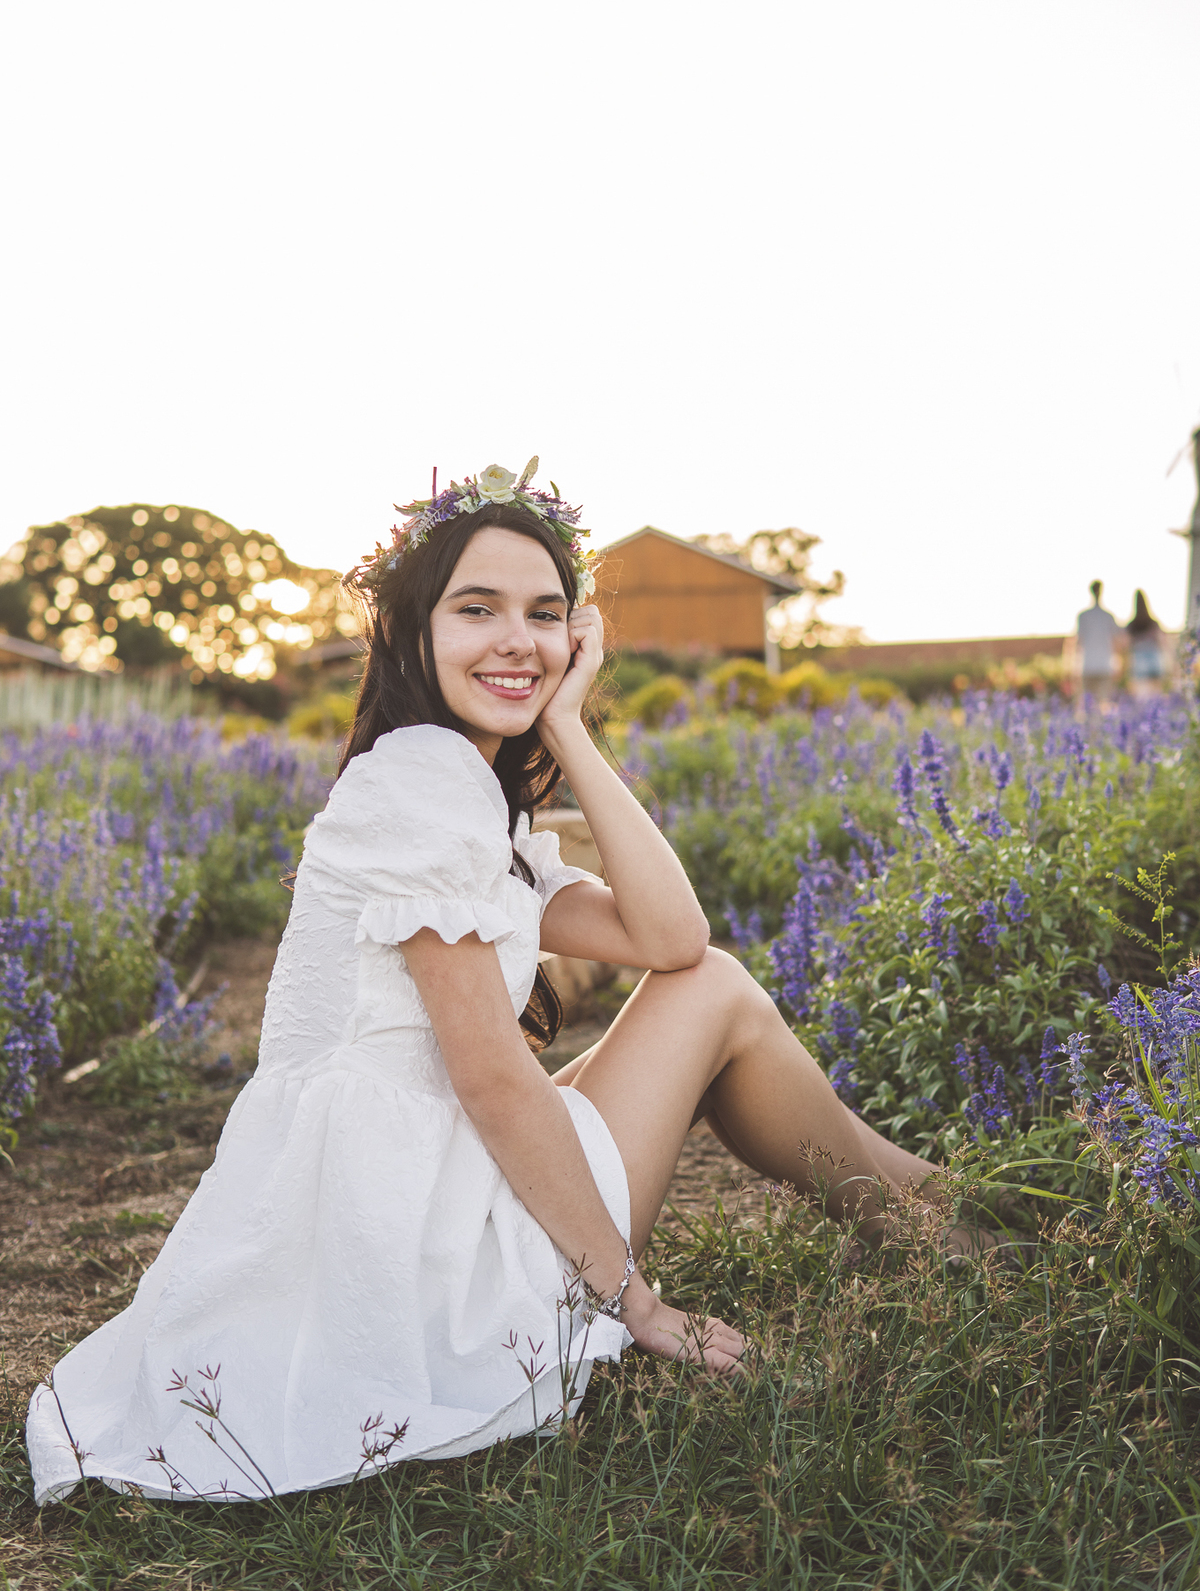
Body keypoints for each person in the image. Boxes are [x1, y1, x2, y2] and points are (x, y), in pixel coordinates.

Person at [27, 461, 989, 1508]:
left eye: (544, 614)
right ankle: (958, 1232)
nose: (515, 640)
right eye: (475, 608)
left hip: (403, 1195)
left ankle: (957, 1223)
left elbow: (668, 933)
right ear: (412, 631)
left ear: (576, 636)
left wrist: (569, 727)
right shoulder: (426, 782)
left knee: (707, 979)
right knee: (718, 995)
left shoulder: (457, 792)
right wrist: (637, 1304)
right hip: (422, 1251)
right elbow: (495, 1074)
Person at [1074, 580, 1121, 705]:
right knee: (1103, 703)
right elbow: (1117, 641)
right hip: (1104, 665)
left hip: (1088, 665)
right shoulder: (1108, 616)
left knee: (1090, 704)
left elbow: (1078, 642)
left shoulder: (1083, 616)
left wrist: (1074, 666)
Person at [1125, 590, 1165, 698]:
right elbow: (1161, 642)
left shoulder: (1132, 625)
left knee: (1141, 696)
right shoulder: (1153, 622)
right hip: (1153, 660)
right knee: (1155, 696)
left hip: (1139, 661)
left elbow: (1127, 644)